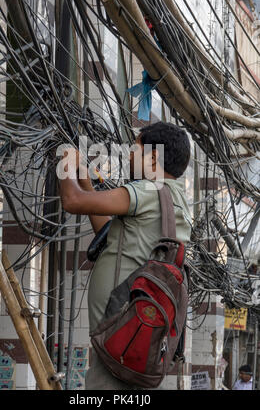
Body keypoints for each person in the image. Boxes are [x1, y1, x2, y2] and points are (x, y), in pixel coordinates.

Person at [58, 121, 192, 390]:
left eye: (135, 148)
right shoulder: (173, 198)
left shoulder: (148, 191)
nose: (130, 154)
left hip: (118, 345)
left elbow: (72, 201)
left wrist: (65, 163)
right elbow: (107, 235)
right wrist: (84, 176)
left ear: (153, 156)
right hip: (128, 341)